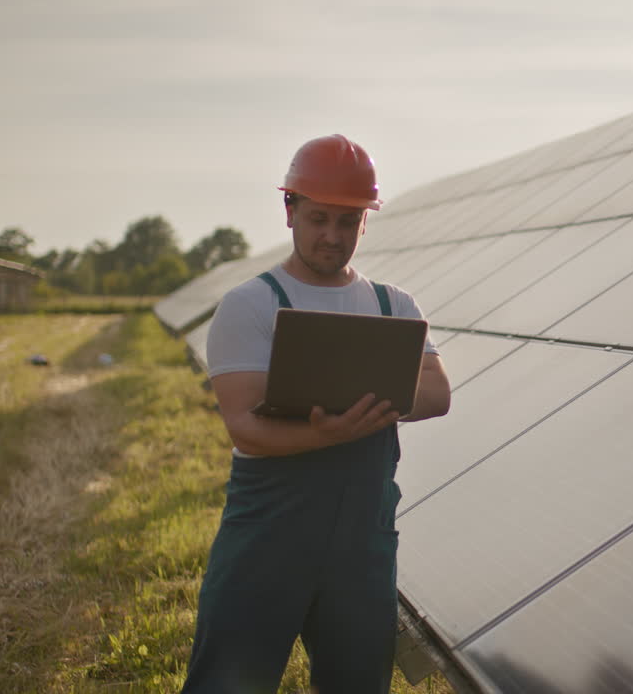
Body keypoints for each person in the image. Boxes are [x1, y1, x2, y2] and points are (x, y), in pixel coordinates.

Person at [181, 134, 451, 693]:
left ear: (364, 223)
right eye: (319, 218)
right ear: (290, 212)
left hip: (362, 549)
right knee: (229, 685)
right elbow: (247, 429)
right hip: (266, 545)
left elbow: (437, 392)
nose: (332, 236)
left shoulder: (392, 305)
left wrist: (352, 410)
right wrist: (331, 430)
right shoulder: (252, 305)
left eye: (347, 222)